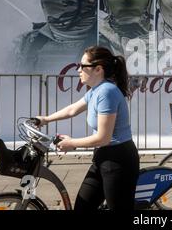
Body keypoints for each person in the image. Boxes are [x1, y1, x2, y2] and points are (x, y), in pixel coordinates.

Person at [35, 46, 140, 210]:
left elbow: (103, 138)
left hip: (118, 160)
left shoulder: (107, 92)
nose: (78, 69)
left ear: (98, 69)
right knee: (82, 207)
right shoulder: (96, 90)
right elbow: (72, 110)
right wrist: (45, 119)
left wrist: (72, 143)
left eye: (83, 66)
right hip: (102, 157)